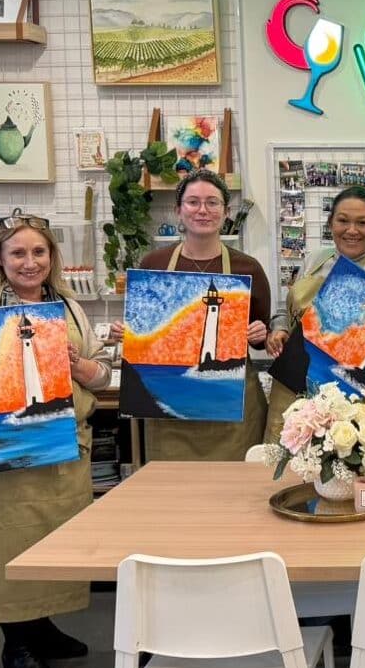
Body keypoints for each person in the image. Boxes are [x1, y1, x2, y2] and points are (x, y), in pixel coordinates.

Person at [0, 210, 112, 668]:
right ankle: (17, 643)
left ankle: (42, 626)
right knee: (7, 542)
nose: (30, 262)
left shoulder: (69, 307)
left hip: (61, 448)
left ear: (52, 256)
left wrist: (79, 366)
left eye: (39, 251)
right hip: (3, 454)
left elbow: (102, 375)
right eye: (18, 252)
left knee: (52, 540)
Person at [111, 170, 271, 461]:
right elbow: (147, 332)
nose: (203, 210)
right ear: (178, 210)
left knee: (235, 484)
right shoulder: (154, 265)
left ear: (226, 211)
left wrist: (260, 333)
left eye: (212, 202)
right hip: (172, 410)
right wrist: (128, 333)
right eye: (193, 202)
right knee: (174, 485)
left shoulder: (248, 268)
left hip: (231, 406)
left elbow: (260, 340)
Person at [264, 186, 365, 443]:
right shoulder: (314, 261)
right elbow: (286, 308)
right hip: (292, 382)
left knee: (341, 453)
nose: (352, 230)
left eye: (362, 222)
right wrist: (280, 328)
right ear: (330, 223)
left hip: (350, 395)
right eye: (343, 220)